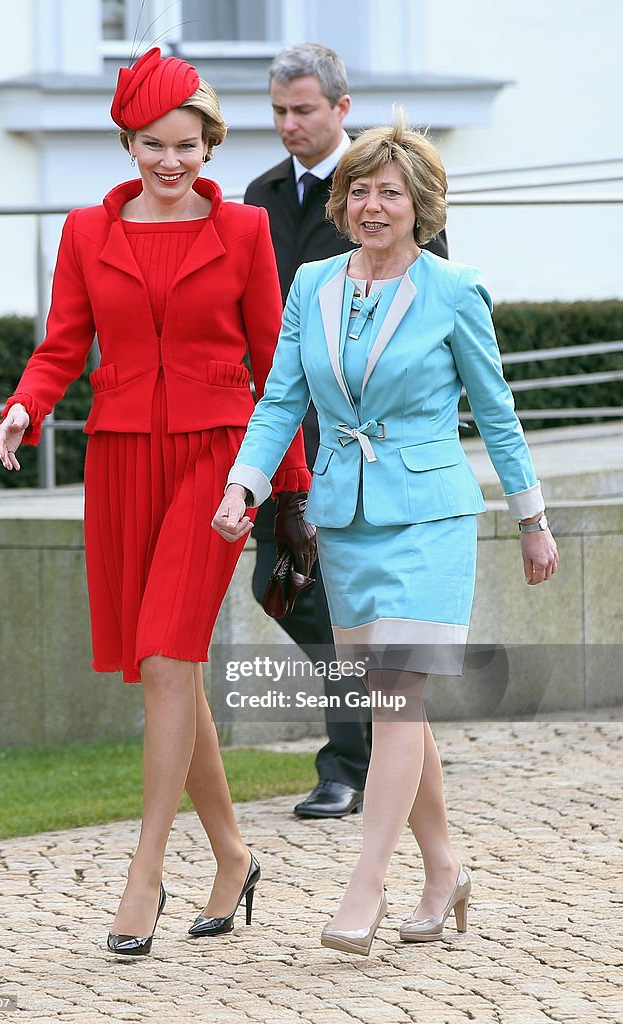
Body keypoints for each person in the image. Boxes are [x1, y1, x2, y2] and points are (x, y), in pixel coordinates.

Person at [213, 112, 559, 956]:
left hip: (431, 517)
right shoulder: (313, 286)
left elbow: (496, 413)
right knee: (387, 702)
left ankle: (364, 884)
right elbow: (280, 400)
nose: (373, 206)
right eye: (359, 190)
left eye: (390, 193)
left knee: (396, 698)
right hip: (344, 521)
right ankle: (444, 869)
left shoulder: (453, 289)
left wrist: (531, 518)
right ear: (341, 201)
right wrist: (243, 486)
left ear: (420, 205)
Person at [0, 47, 314, 956]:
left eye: (187, 144)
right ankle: (232, 854)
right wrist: (26, 405)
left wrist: (286, 491)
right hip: (122, 460)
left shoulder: (248, 231)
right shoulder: (86, 232)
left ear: (209, 143)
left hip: (219, 465)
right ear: (127, 142)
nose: (169, 162)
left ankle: (145, 874)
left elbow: (276, 370)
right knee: (164, 669)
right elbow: (63, 345)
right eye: (150, 144)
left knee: (170, 663)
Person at [244, 42, 448, 820]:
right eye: (278, 111)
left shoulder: (386, 189)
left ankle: (349, 761)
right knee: (289, 592)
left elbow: (431, 304)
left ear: (340, 108)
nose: (288, 124)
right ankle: (394, 729)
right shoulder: (258, 194)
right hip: (281, 425)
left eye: (302, 109)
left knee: (350, 609)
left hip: (369, 442)